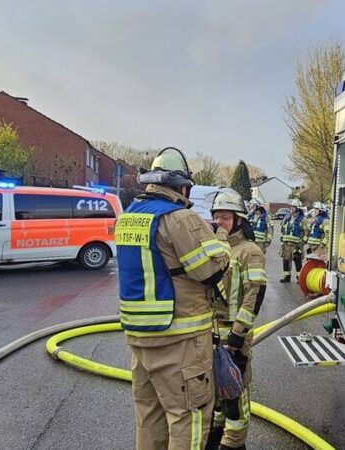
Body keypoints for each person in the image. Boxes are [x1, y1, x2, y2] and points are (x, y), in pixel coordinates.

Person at [116, 147, 230, 450]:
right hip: (179, 337)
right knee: (188, 416)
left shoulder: (128, 217)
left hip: (140, 338)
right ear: (182, 186)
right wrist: (219, 240)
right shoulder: (180, 219)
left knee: (149, 416)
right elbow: (210, 271)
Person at [205, 189, 267, 450]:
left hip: (234, 337)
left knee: (236, 395)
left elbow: (255, 293)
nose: (220, 223)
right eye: (216, 218)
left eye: (226, 218)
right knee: (216, 393)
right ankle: (216, 436)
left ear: (239, 220)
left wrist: (239, 334)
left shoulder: (249, 252)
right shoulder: (212, 250)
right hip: (211, 333)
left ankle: (234, 444)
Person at [278, 198, 305, 282]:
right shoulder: (288, 218)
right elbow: (282, 227)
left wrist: (301, 243)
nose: (291, 208)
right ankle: (286, 276)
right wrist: (285, 219)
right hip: (286, 244)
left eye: (293, 207)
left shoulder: (302, 219)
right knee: (286, 259)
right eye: (291, 207)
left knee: (297, 260)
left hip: (296, 244)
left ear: (298, 209)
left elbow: (306, 232)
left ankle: (299, 277)